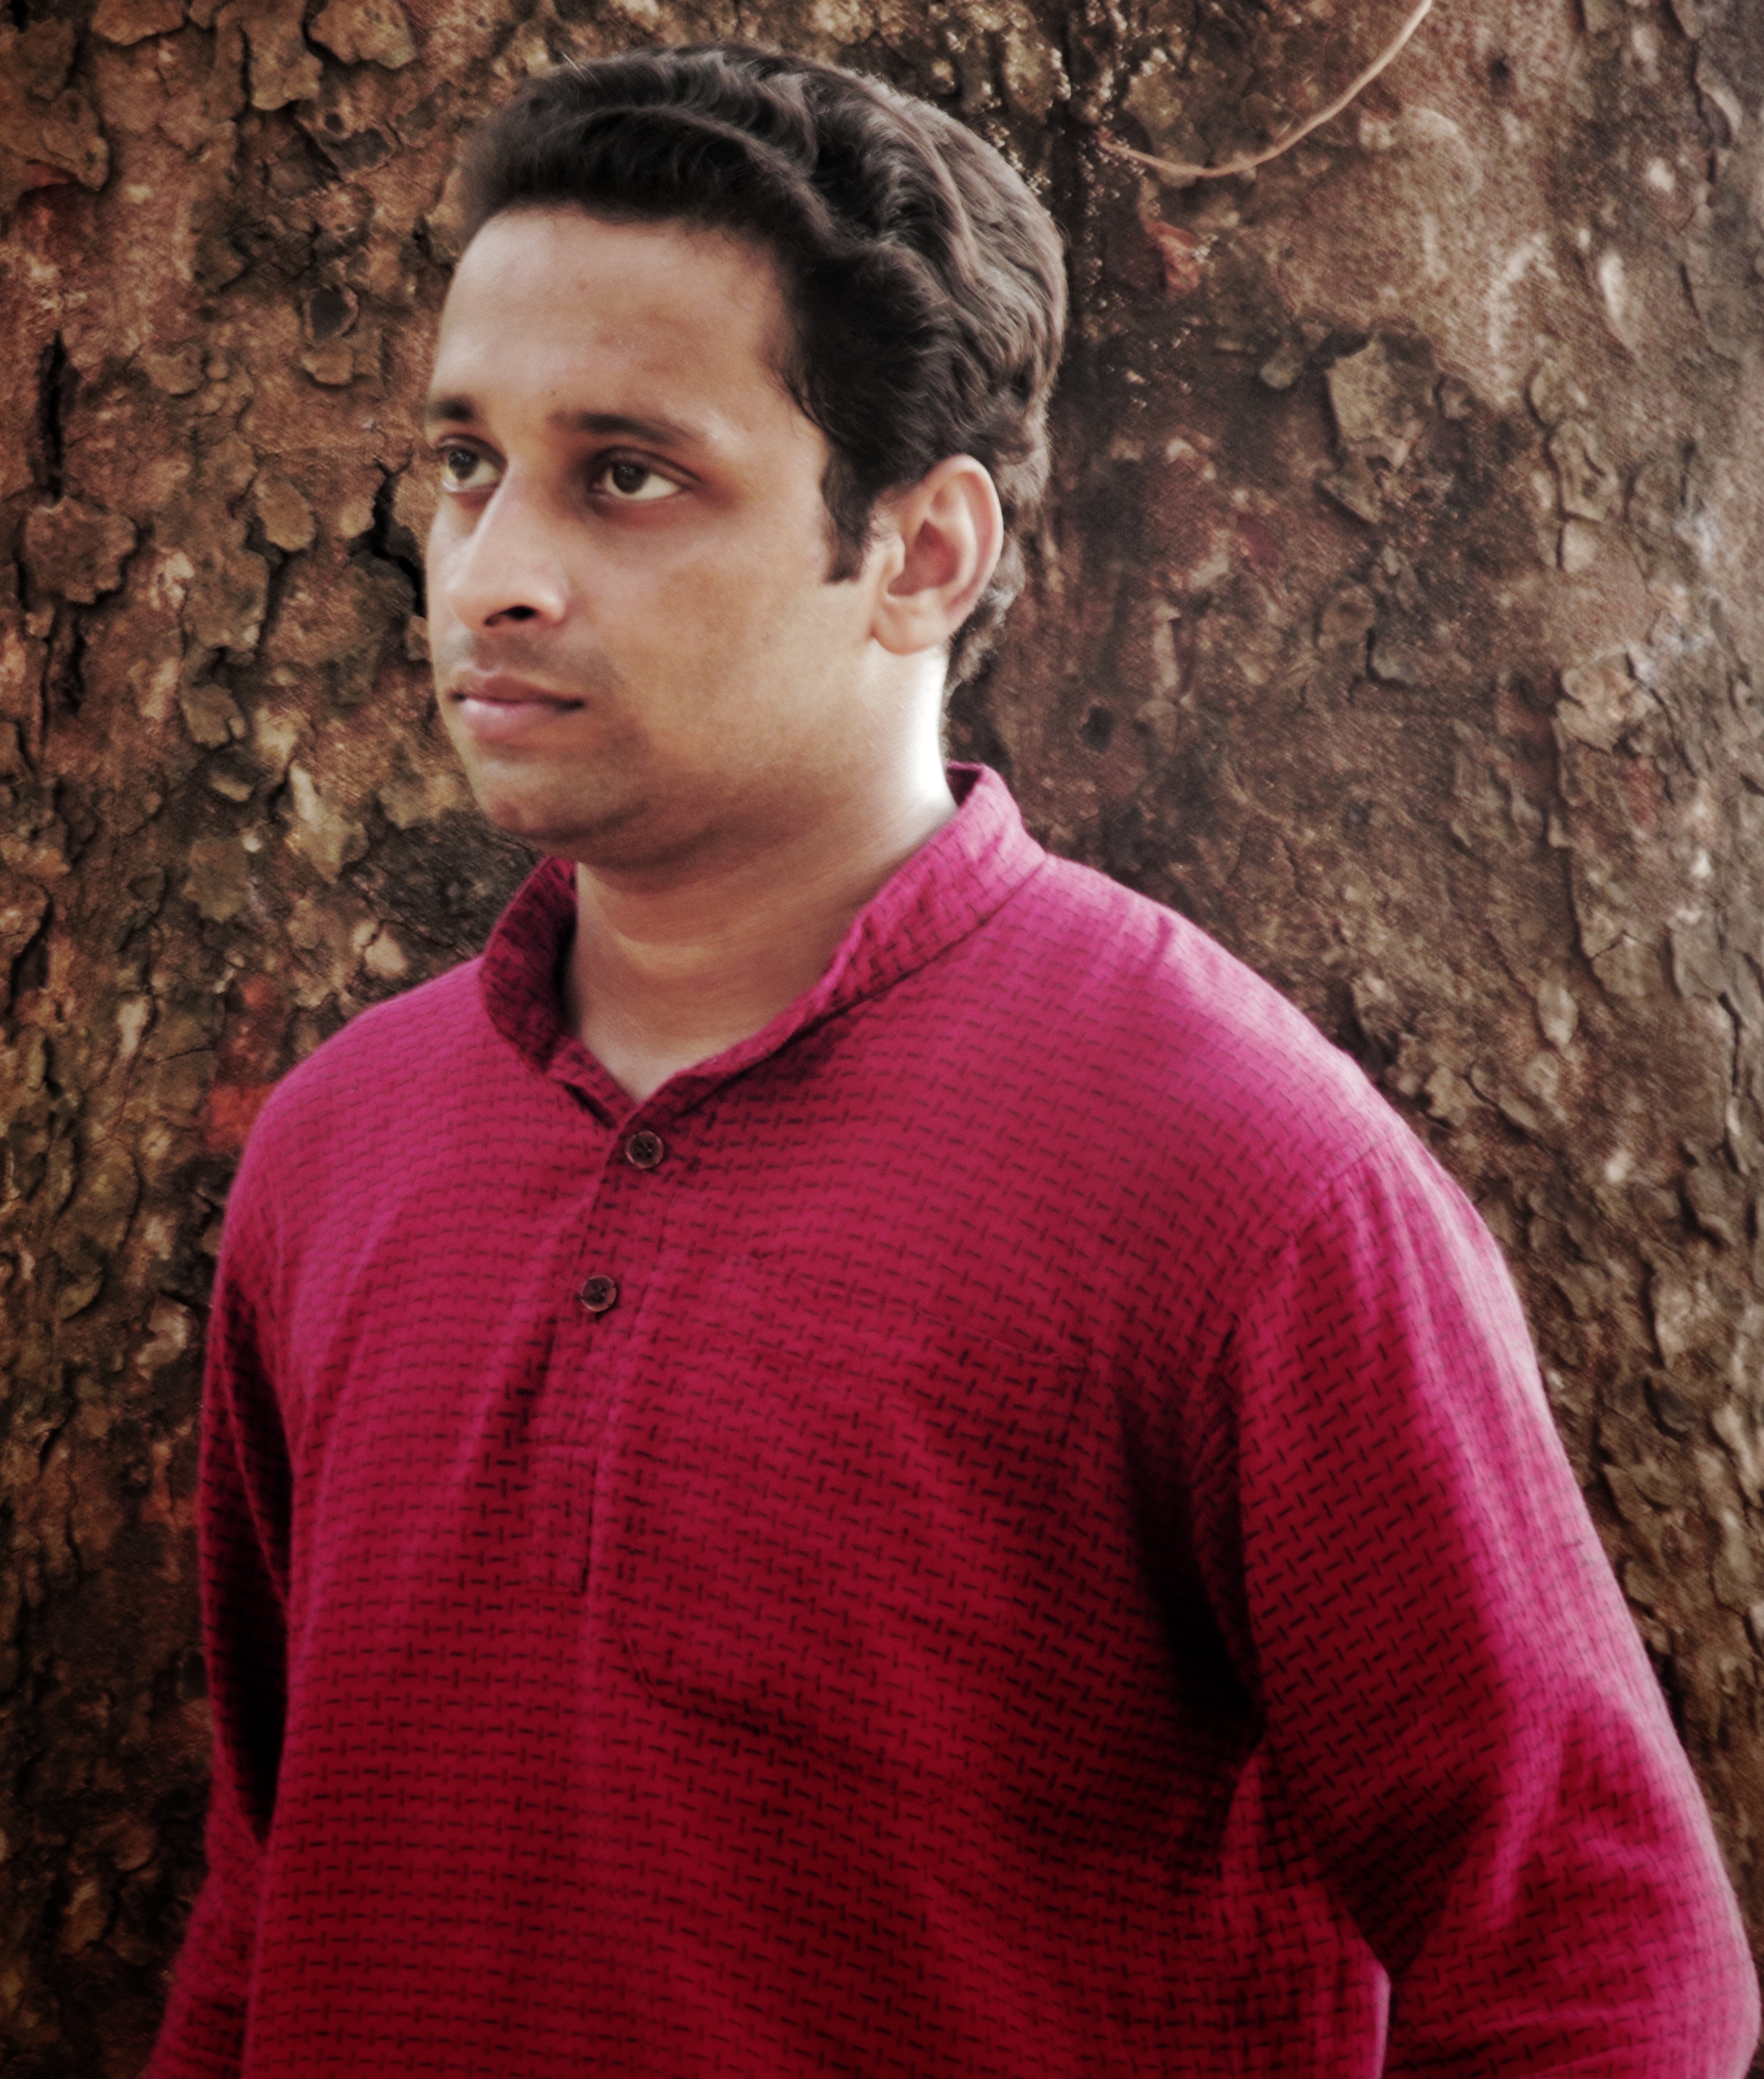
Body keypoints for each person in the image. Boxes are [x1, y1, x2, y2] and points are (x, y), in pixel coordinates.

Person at [149, 41, 1758, 2078]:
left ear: (921, 552)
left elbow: (1599, 1978)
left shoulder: (1236, 1181)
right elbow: (267, 1893)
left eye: (625, 474)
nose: (489, 573)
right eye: (469, 462)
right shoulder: (339, 1150)